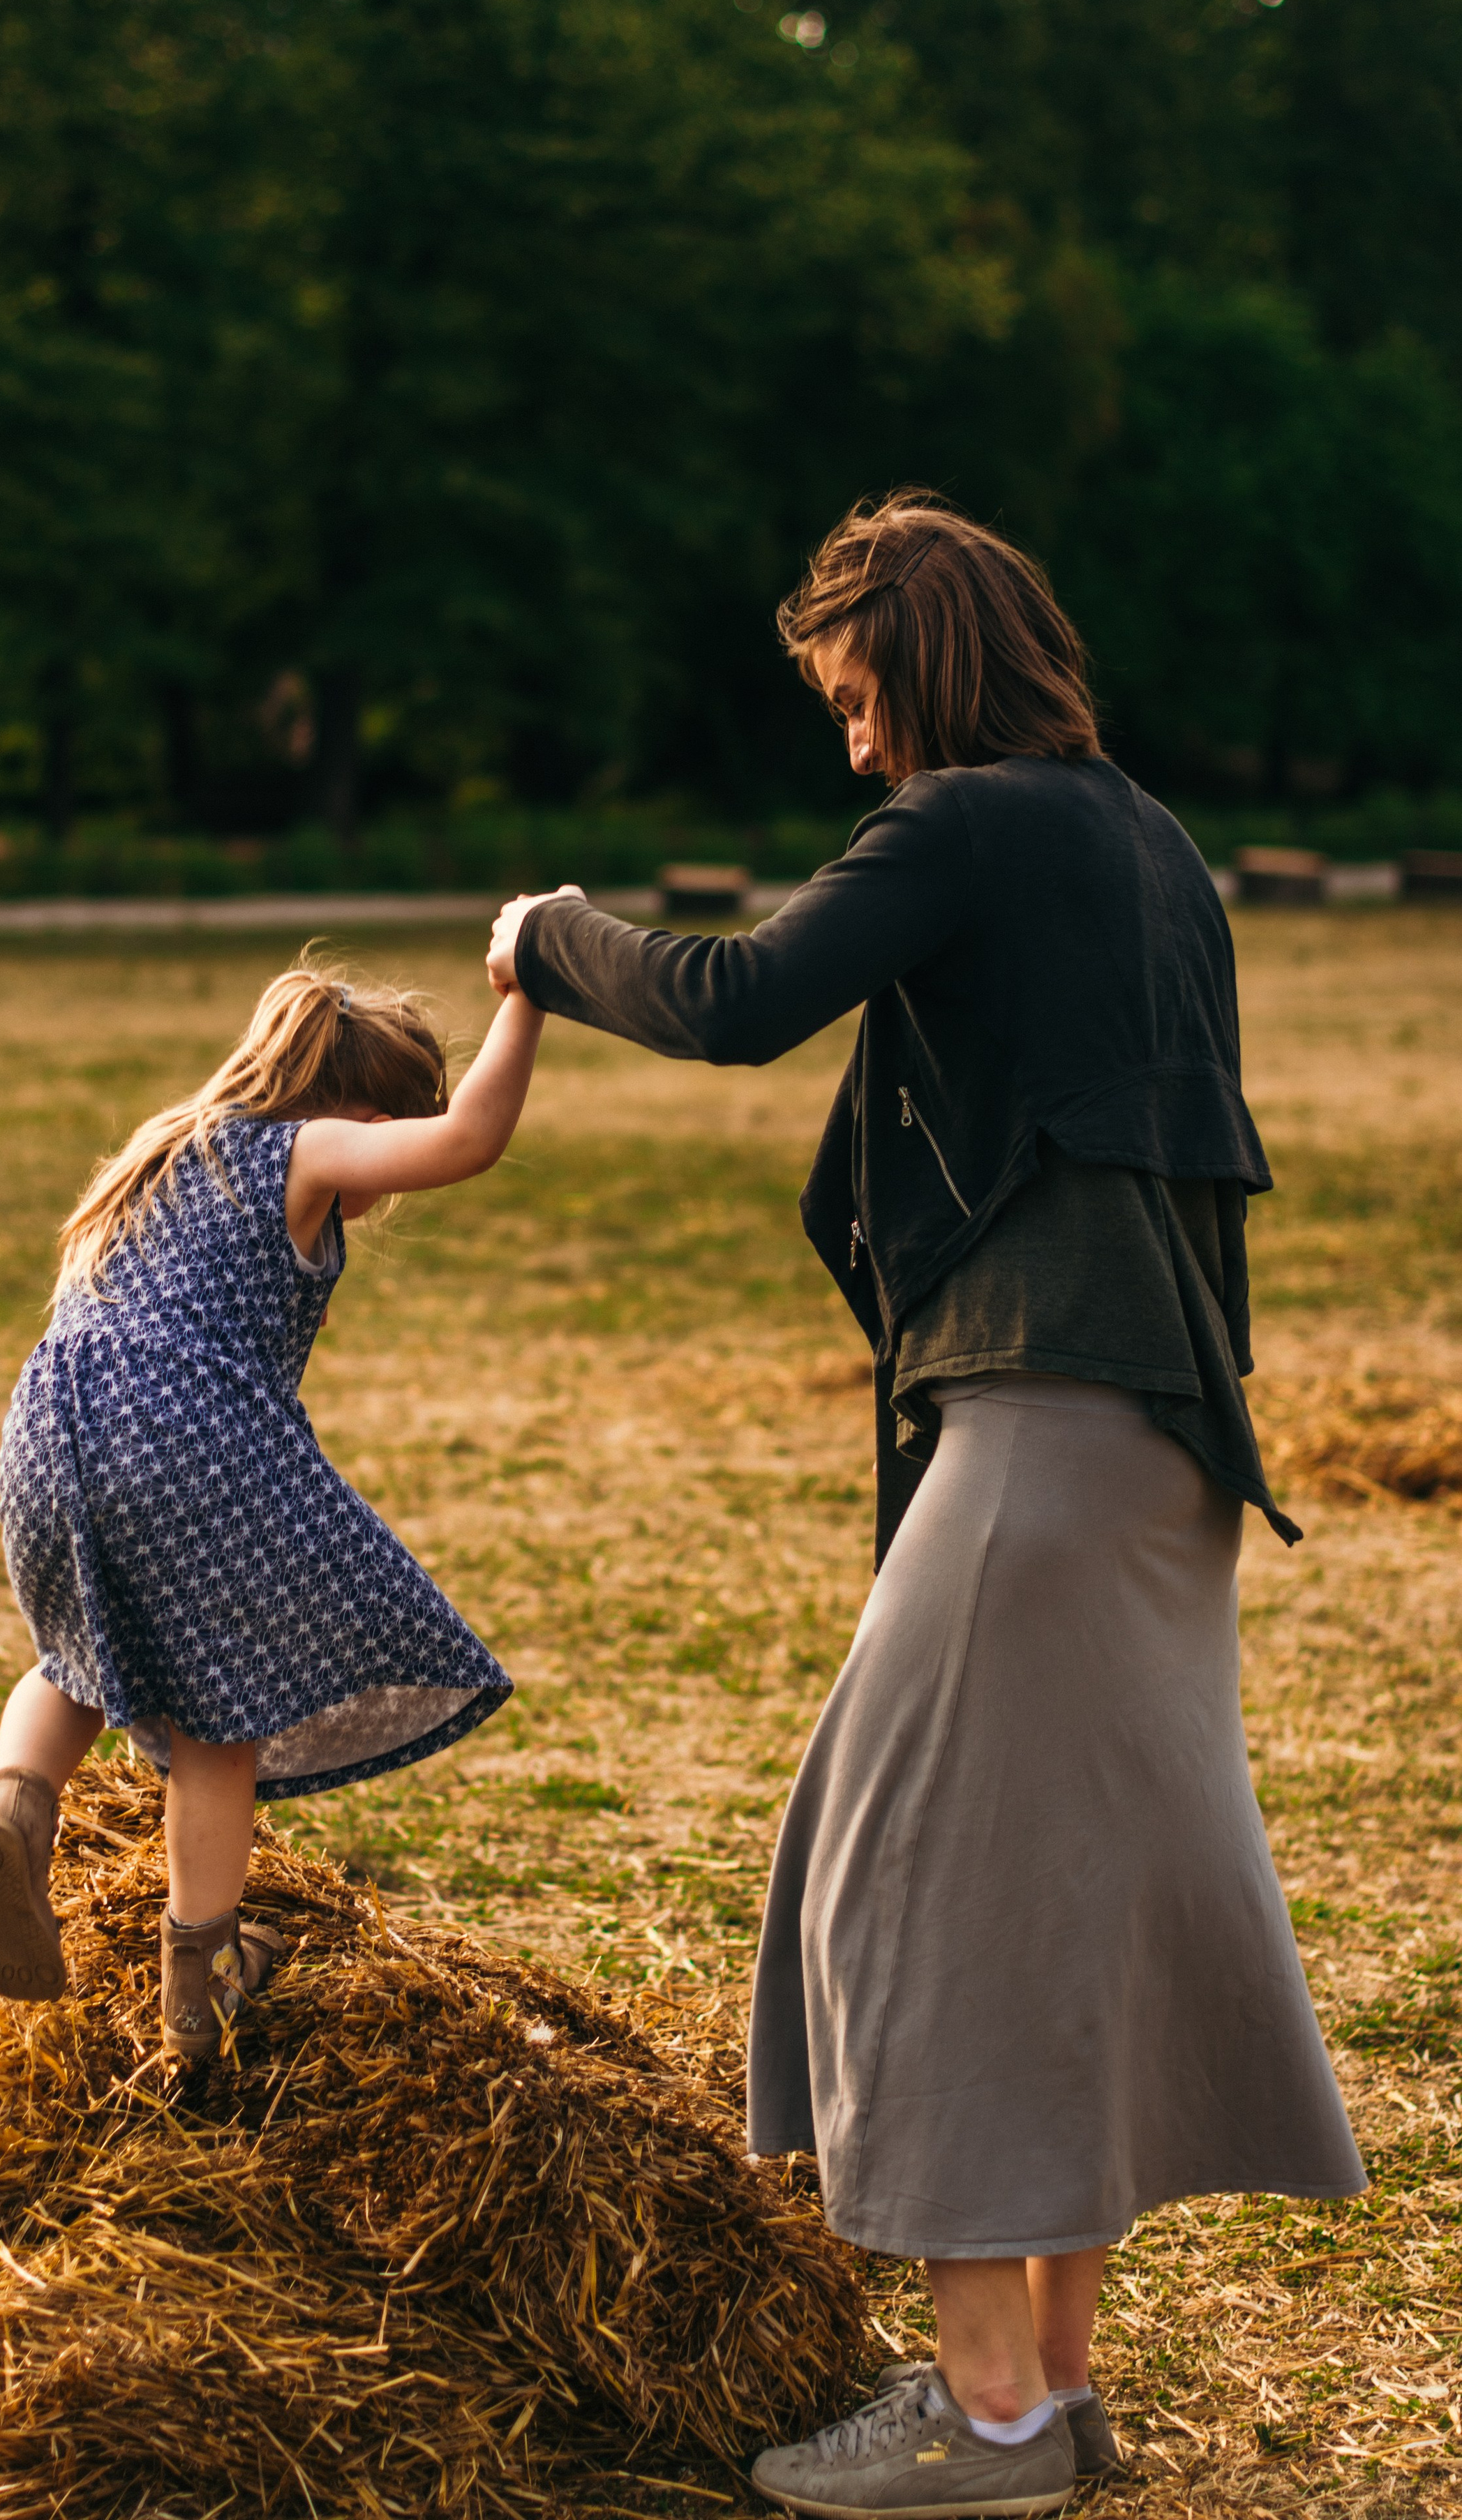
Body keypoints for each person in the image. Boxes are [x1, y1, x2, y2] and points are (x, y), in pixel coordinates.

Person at [486, 490, 1364, 2519]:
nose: (853, 744)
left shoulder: (967, 825)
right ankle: (1048, 2392)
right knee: (1072, 1895)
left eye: (861, 697)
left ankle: (980, 2426)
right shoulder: (1154, 844)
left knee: (920, 1880)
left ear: (930, 670)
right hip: (1166, 1443)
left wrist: (548, 934)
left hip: (1046, 1434)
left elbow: (731, 998)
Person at [0, 965, 542, 2061]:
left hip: (47, 1429)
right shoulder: (307, 1147)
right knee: (217, 1723)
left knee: (76, 1656)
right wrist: (534, 992)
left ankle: (15, 1807)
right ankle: (201, 1974)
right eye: (389, 1148)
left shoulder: (169, 1148)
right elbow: (471, 1140)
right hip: (182, 1434)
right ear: (364, 1118)